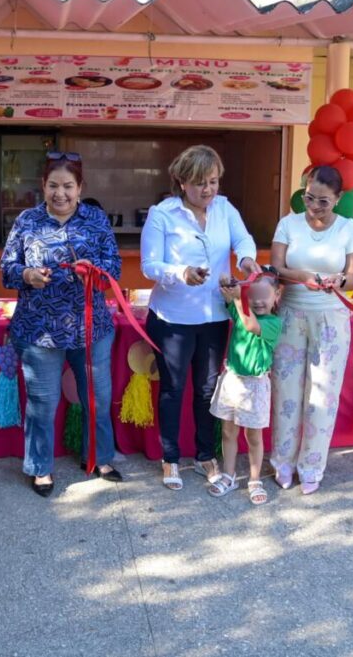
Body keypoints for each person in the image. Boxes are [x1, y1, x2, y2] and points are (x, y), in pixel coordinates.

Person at [0, 151, 123, 497]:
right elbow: (6, 268)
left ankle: (100, 458)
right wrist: (27, 274)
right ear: (43, 186)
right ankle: (40, 467)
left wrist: (93, 272)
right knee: (42, 402)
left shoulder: (96, 219)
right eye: (53, 185)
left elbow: (114, 269)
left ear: (80, 188)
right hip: (40, 330)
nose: (60, 193)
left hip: (90, 328)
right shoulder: (27, 220)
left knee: (97, 397)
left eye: (68, 186)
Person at [141, 145, 261, 491]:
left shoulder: (224, 209)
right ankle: (170, 458)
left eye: (212, 182)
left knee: (208, 389)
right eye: (199, 183)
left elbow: (243, 239)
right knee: (174, 388)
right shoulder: (162, 214)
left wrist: (247, 260)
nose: (207, 190)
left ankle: (205, 454)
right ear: (181, 182)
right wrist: (181, 272)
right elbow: (150, 265)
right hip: (173, 317)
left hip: (213, 315)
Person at [269, 165, 353, 495]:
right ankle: (282, 461)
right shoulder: (288, 224)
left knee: (322, 395)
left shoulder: (349, 229)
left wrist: (340, 281)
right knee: (286, 392)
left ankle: (312, 465)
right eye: (309, 198)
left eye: (323, 201)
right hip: (291, 314)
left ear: (338, 199)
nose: (314, 206)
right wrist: (301, 276)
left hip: (331, 319)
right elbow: (276, 268)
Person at [208, 274, 283, 505]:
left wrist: (240, 301)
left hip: (255, 385)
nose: (258, 302)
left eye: (264, 297)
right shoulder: (241, 311)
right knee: (229, 432)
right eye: (254, 297)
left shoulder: (273, 323)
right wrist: (228, 284)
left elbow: (250, 325)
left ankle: (254, 479)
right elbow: (227, 297)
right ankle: (229, 475)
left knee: (253, 436)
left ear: (276, 296)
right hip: (232, 380)